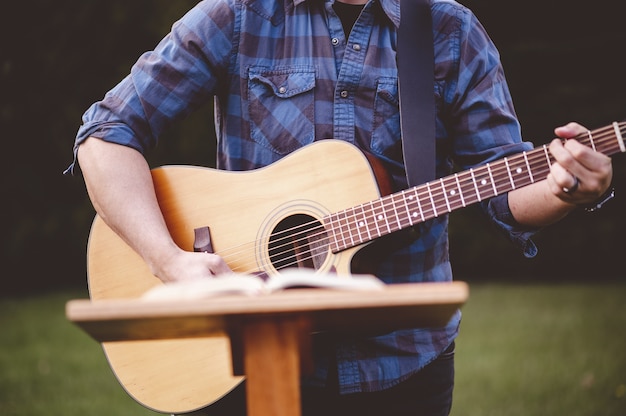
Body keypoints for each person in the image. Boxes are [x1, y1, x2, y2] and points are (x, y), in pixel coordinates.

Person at [66, 0, 614, 414]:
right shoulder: (240, 14)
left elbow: (505, 188)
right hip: (248, 356)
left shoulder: (450, 31)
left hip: (403, 364)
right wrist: (170, 261)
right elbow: (105, 136)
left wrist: (563, 187)